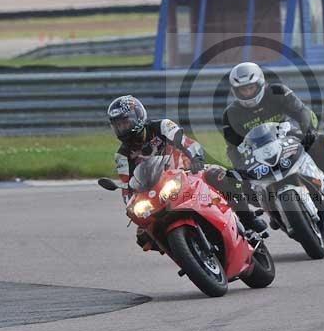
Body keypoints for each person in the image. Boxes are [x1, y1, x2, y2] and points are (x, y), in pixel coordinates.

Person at [107, 95, 266, 251]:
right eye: (118, 125)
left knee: (220, 175)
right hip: (158, 192)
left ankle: (248, 219)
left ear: (138, 117)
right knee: (144, 235)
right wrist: (132, 207)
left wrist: (196, 158)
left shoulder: (162, 126)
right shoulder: (121, 156)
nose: (122, 128)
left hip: (188, 173)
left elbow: (186, 142)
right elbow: (127, 187)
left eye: (125, 123)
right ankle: (185, 252)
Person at [221, 62, 324, 202]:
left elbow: (301, 111)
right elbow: (232, 147)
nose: (247, 93)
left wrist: (308, 130)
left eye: (251, 88)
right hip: (257, 152)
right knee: (238, 180)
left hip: (289, 137)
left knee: (320, 142)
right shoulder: (231, 113)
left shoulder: (278, 91)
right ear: (235, 91)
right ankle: (270, 211)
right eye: (242, 90)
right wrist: (239, 166)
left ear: (260, 83)